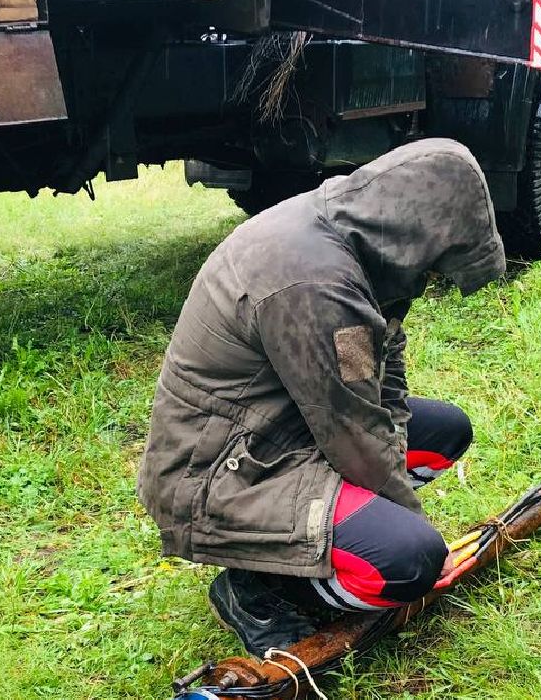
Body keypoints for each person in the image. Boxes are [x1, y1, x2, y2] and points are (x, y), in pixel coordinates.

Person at [137, 138, 506, 658]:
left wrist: (391, 490)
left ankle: (310, 545)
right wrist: (415, 526)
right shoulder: (315, 281)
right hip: (216, 474)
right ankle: (260, 588)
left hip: (281, 430)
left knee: (445, 433)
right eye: (436, 265)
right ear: (417, 235)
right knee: (408, 561)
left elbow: (382, 381)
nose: (431, 279)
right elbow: (351, 427)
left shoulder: (360, 244)